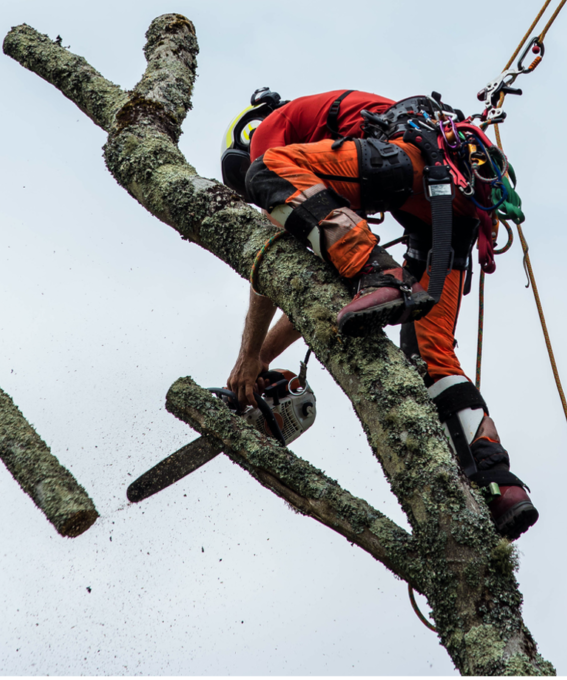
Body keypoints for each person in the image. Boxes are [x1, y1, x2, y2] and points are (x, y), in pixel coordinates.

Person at [219, 87, 538, 540]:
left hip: (412, 165)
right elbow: (334, 269)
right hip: (448, 203)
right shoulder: (329, 174)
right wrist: (262, 358)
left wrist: (249, 357)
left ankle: (380, 274)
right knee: (430, 359)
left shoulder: (272, 131)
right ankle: (497, 482)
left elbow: (273, 254)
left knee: (267, 172)